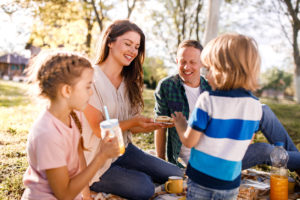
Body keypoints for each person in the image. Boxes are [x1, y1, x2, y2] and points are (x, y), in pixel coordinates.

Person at [154, 40, 300, 174]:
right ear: (176, 60)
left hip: (225, 152)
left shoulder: (212, 88)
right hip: (203, 163)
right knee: (264, 150)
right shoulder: (167, 86)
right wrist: (160, 162)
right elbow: (160, 125)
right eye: (182, 61)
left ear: (202, 63)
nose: (187, 67)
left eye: (193, 62)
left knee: (263, 110)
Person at [82, 20, 183, 200]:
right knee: (144, 188)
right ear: (110, 42)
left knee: (175, 173)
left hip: (124, 150)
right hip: (96, 159)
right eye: (127, 44)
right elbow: (98, 129)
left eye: (136, 47)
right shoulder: (90, 78)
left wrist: (149, 125)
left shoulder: (131, 81)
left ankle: (129, 174)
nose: (132, 51)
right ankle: (91, 185)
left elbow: (132, 128)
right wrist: (134, 122)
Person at [22, 51, 120, 200]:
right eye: (87, 87)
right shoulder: (47, 134)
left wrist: (86, 197)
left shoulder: (73, 115)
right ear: (67, 90)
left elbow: (79, 159)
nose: (91, 92)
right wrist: (101, 156)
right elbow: (64, 195)